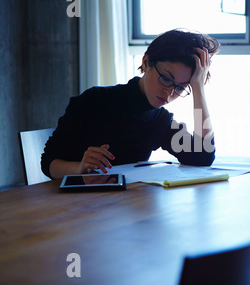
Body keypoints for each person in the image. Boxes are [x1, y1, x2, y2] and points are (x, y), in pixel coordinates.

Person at [41, 29, 220, 179]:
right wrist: (79, 168)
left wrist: (198, 88)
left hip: (126, 208)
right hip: (76, 208)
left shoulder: (159, 121)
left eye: (180, 88)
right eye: (166, 79)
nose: (169, 93)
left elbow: (203, 155)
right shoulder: (94, 101)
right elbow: (48, 163)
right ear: (146, 62)